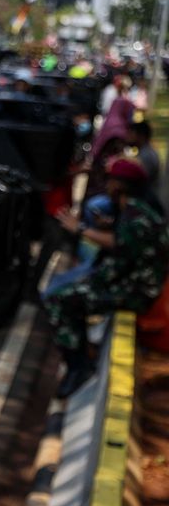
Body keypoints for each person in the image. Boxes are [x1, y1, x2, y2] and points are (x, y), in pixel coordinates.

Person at [48, 158, 169, 396]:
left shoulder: (137, 215)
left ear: (120, 185)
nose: (107, 184)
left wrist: (80, 228)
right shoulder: (131, 208)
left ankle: (78, 367)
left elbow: (118, 245)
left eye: (110, 180)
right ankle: (81, 358)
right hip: (127, 283)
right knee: (67, 292)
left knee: (59, 301)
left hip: (136, 292)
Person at [127, 118, 160, 188]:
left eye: (131, 133)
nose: (128, 137)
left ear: (141, 136)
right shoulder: (146, 152)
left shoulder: (146, 155)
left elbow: (140, 180)